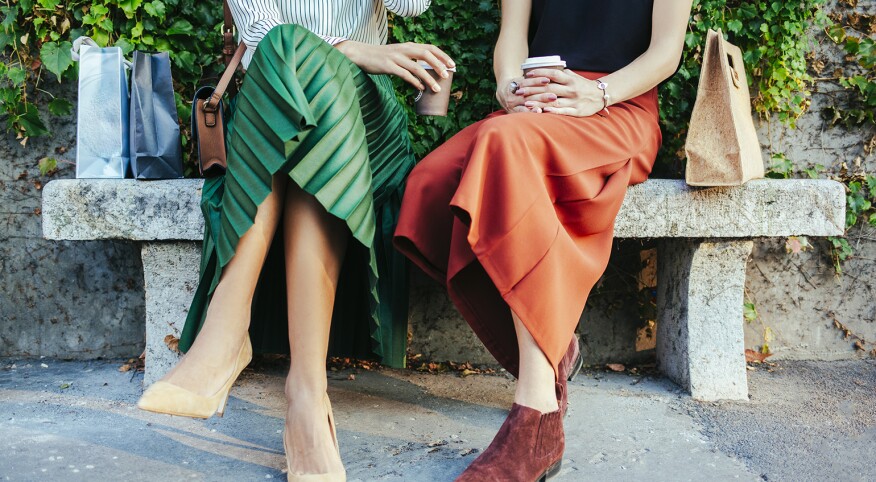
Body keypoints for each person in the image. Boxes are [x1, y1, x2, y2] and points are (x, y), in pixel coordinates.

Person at [136, 1, 453, 480]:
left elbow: (415, 4)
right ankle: (307, 397)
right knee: (287, 47)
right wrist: (351, 48)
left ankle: (227, 332)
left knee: (308, 77)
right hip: (272, 106)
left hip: (363, 113)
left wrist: (353, 56)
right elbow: (261, 35)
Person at [394, 0, 694, 479]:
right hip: (536, 108)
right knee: (431, 181)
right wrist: (510, 87)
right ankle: (557, 346)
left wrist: (598, 93)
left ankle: (537, 417)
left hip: (617, 110)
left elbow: (666, 52)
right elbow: (512, 36)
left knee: (504, 146)